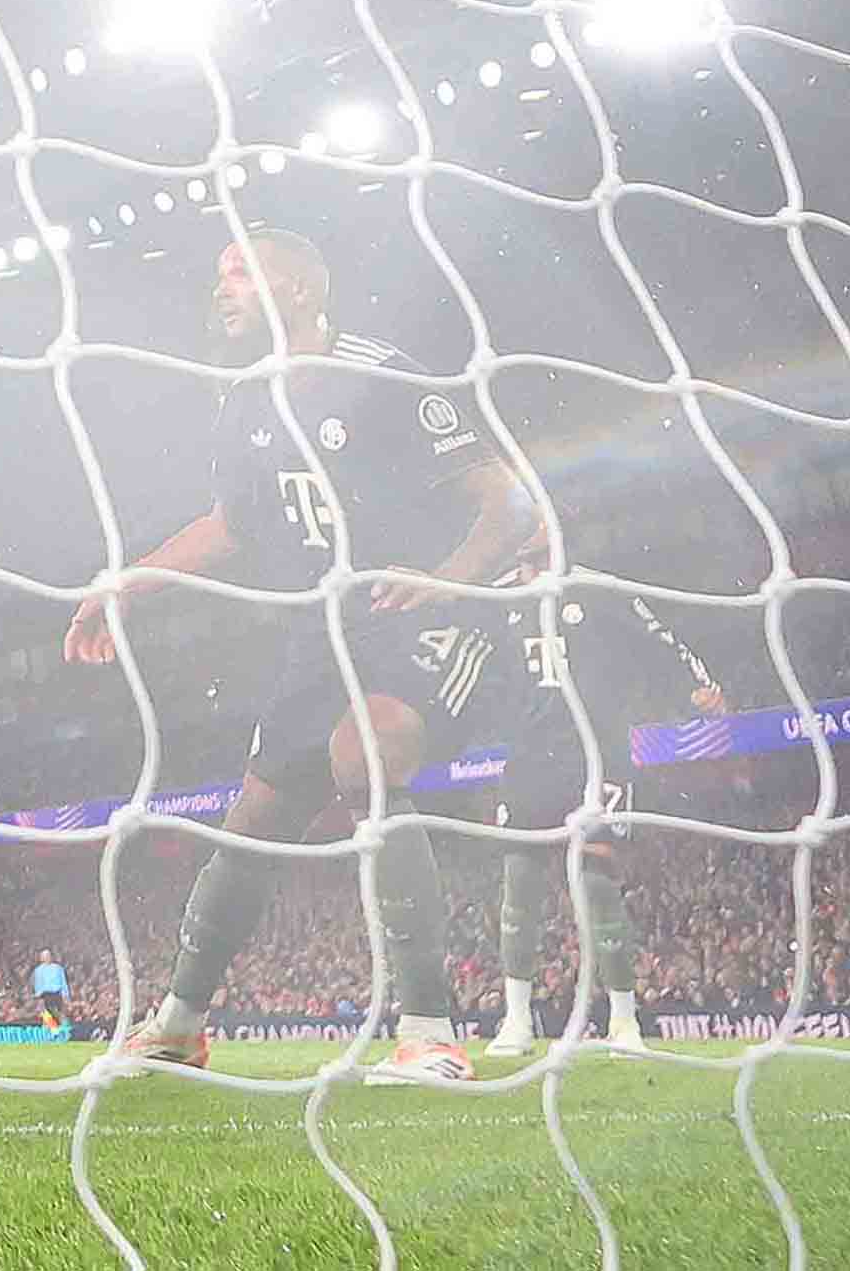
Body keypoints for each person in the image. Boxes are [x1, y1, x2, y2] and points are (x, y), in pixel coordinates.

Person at [65, 223, 538, 1086]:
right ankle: (177, 1025)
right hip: (323, 633)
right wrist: (126, 583)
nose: (223, 288)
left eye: (242, 272)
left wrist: (451, 581)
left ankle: (431, 1033)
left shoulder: (380, 371)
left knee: (370, 746)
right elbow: (231, 529)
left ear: (301, 291)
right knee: (252, 826)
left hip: (422, 610)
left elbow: (511, 509)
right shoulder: (241, 401)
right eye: (219, 274)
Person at [485, 571, 724, 1058]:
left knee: (597, 887)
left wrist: (697, 684)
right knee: (520, 884)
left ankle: (623, 1021)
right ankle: (515, 1021)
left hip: (596, 756)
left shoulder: (596, 588)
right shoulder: (498, 592)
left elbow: (657, 635)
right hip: (529, 759)